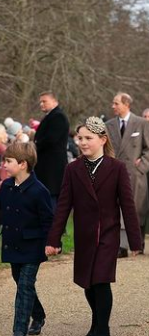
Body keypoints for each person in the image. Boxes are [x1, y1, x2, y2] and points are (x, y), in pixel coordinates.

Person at [46, 117, 142, 336]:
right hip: (84, 235)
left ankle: (102, 328)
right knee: (88, 284)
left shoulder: (116, 168)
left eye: (88, 138)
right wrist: (54, 239)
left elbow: (128, 205)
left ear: (102, 139)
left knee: (100, 280)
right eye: (80, 138)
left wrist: (135, 240)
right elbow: (63, 206)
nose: (83, 142)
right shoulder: (73, 169)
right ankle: (96, 323)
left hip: (108, 234)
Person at [0, 142, 53, 336]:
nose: (3, 164)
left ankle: (18, 331)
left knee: (24, 287)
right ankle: (38, 315)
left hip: (33, 247)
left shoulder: (39, 191)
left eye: (8, 161)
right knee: (22, 283)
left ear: (23, 164)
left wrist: (52, 243)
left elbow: (49, 220)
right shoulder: (6, 185)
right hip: (13, 245)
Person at [105, 92, 149, 256]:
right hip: (115, 173)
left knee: (138, 209)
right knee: (117, 208)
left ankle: (138, 242)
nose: (113, 106)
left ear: (126, 105)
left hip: (135, 174)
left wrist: (142, 166)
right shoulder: (108, 125)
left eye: (116, 103)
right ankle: (121, 247)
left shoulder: (142, 123)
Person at [33, 91, 69, 210]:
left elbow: (51, 139)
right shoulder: (51, 116)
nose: (41, 104)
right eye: (40, 102)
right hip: (47, 166)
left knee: (51, 199)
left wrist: (35, 145)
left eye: (44, 101)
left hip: (52, 167)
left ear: (54, 101)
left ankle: (54, 227)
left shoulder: (58, 117)